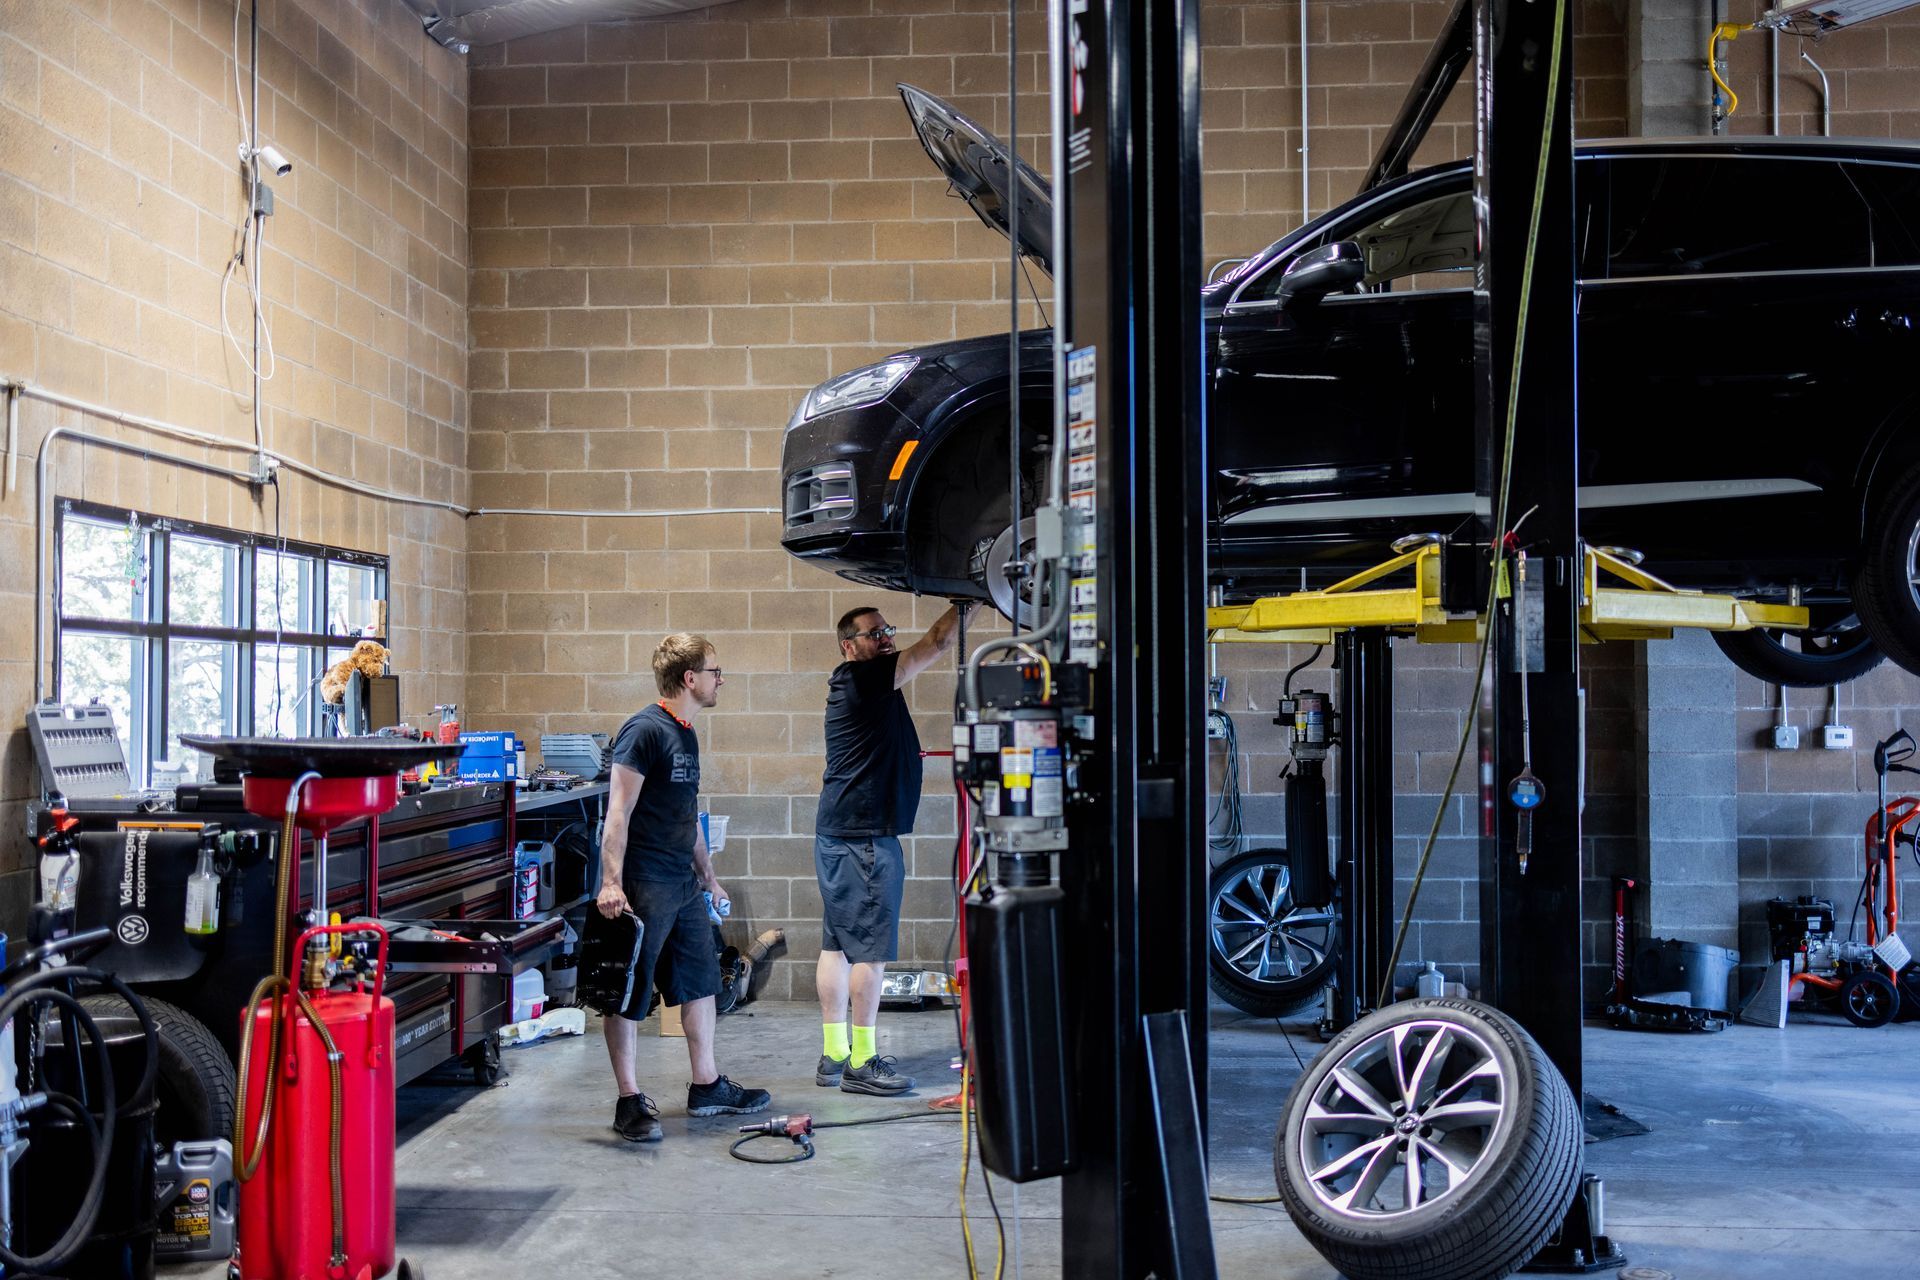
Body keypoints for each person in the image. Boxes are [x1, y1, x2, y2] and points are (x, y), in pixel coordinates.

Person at [596, 632, 769, 1141]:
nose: (721, 680)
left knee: (701, 981)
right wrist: (611, 883)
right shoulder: (643, 731)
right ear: (690, 678)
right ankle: (629, 1101)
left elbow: (688, 811)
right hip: (643, 882)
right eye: (715, 671)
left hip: (683, 882)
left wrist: (708, 875)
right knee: (626, 992)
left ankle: (707, 1085)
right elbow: (617, 813)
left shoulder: (685, 731)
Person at [813, 602, 975, 1095]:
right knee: (872, 953)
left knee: (837, 946)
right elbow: (939, 643)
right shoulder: (864, 678)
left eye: (887, 630)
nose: (885, 639)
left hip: (842, 834)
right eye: (873, 633)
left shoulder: (857, 684)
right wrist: (970, 599)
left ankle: (834, 1053)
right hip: (863, 840)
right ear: (849, 645)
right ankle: (862, 1062)